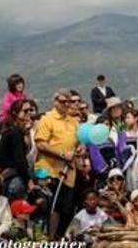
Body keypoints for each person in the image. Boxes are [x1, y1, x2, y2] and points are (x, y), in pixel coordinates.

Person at [34, 89, 81, 238]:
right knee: (48, 206)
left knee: (63, 209)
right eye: (62, 102)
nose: (66, 105)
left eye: (69, 102)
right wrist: (61, 155)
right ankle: (45, 238)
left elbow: (77, 143)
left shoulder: (74, 121)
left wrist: (79, 149)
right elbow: (40, 144)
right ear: (55, 102)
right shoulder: (47, 119)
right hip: (49, 170)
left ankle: (56, 238)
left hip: (68, 173)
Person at [0, 99, 34, 200]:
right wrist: (28, 181)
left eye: (30, 110)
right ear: (16, 113)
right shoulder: (15, 133)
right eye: (25, 111)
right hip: (11, 178)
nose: (29, 113)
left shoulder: (11, 130)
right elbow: (19, 159)